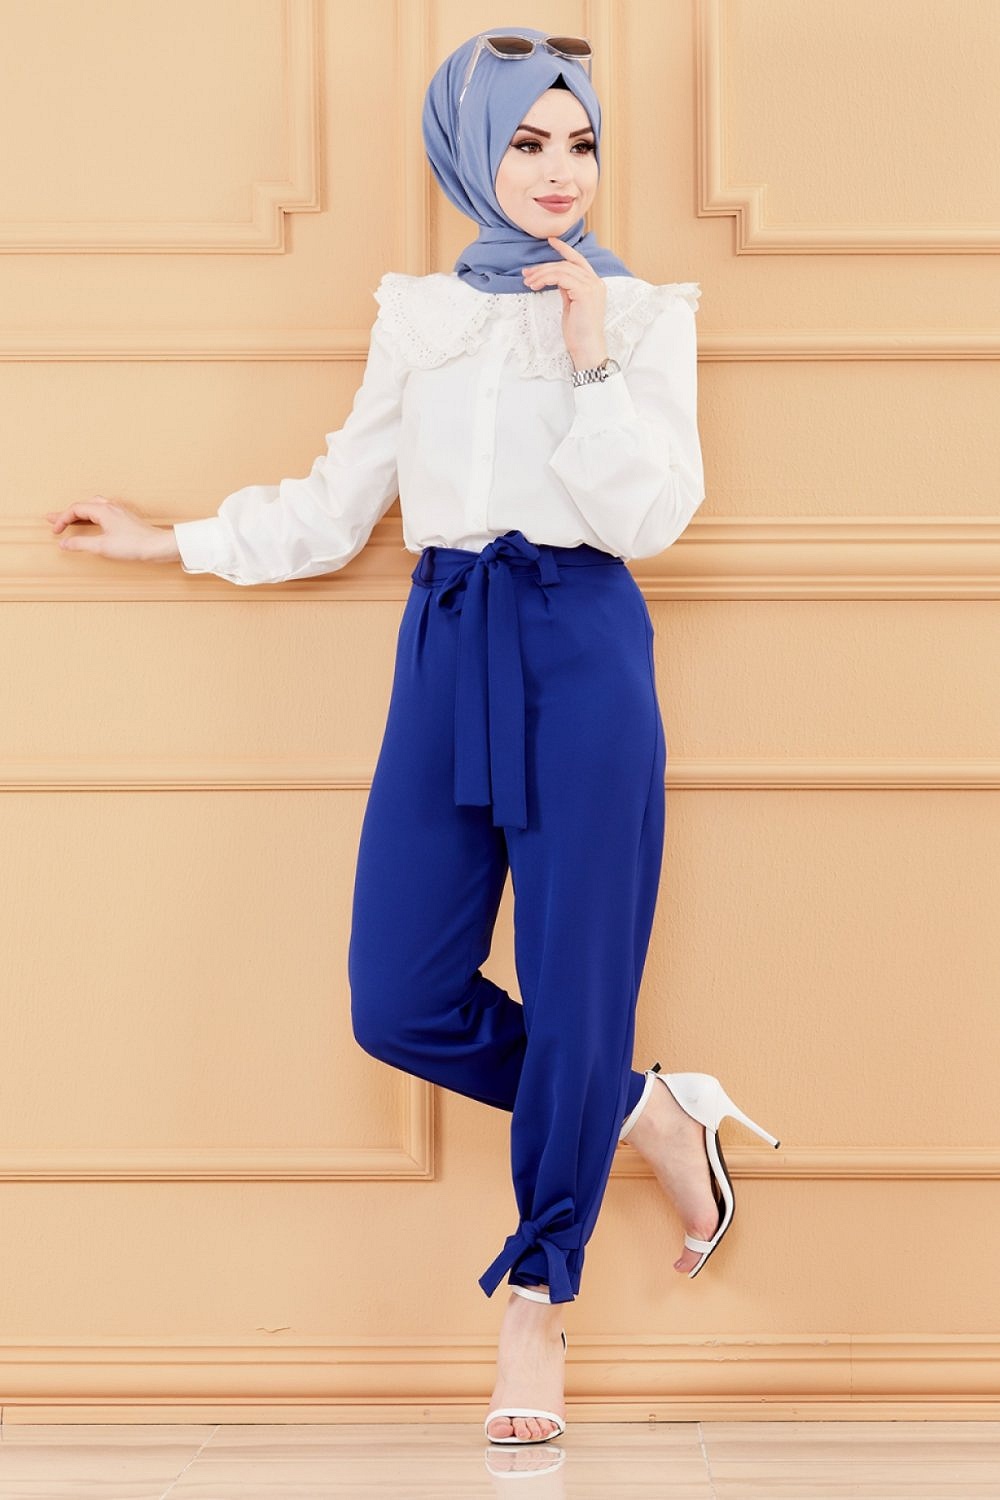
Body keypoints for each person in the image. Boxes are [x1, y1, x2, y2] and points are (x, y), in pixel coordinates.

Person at [44, 25, 780, 1449]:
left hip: (583, 643)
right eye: (527, 140)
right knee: (399, 996)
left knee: (576, 984)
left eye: (581, 143)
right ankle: (646, 1112)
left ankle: (538, 1302)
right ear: (469, 149)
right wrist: (168, 540)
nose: (560, 172)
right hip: (446, 644)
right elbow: (337, 506)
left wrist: (588, 358)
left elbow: (648, 520)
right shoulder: (420, 316)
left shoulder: (640, 315)